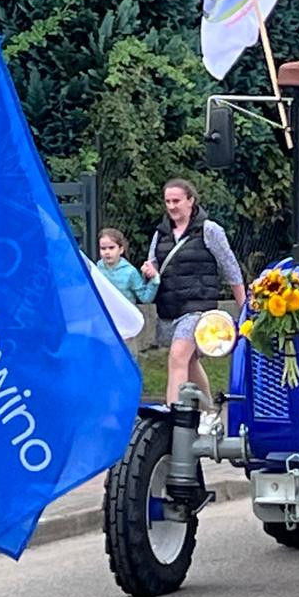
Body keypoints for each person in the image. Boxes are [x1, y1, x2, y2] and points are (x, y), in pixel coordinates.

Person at [140, 179, 246, 425]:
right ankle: (210, 412)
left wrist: (245, 310)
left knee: (177, 357)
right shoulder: (161, 233)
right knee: (189, 361)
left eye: (176, 201)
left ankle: (172, 419)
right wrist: (149, 269)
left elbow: (230, 268)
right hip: (170, 307)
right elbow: (153, 262)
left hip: (198, 307)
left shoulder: (209, 230)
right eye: (168, 201)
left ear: (191, 200)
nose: (172, 206)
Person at [96, 228, 157, 305]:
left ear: (121, 250)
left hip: (125, 315)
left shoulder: (130, 272)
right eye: (103, 248)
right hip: (104, 314)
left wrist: (154, 279)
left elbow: (145, 298)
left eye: (111, 248)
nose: (107, 252)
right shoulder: (97, 269)